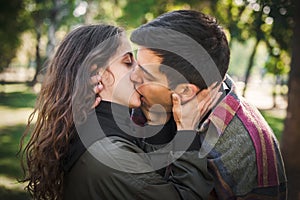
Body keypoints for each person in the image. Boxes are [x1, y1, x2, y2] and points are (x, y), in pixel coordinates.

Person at [19, 24, 220, 200]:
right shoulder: (111, 157)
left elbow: (151, 174)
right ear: (99, 73)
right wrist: (187, 132)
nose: (139, 72)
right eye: (128, 62)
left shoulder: (97, 125)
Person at [127, 10, 287, 199]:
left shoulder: (243, 151)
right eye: (136, 63)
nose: (132, 76)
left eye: (145, 73)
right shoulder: (146, 100)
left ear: (186, 91)